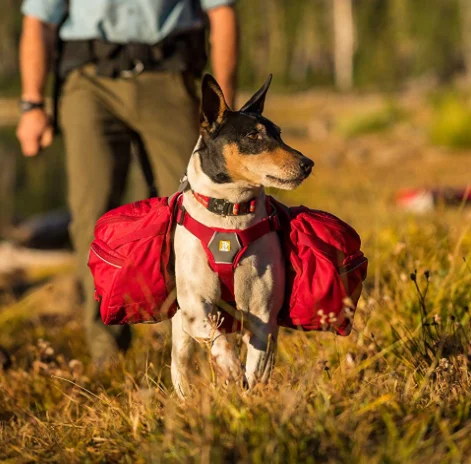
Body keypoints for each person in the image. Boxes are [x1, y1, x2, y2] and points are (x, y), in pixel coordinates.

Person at [16, 0, 239, 365]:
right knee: (92, 216)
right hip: (90, 82)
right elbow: (38, 19)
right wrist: (32, 105)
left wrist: (223, 111)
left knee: (196, 211)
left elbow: (222, 12)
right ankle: (107, 352)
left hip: (170, 74)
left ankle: (201, 346)